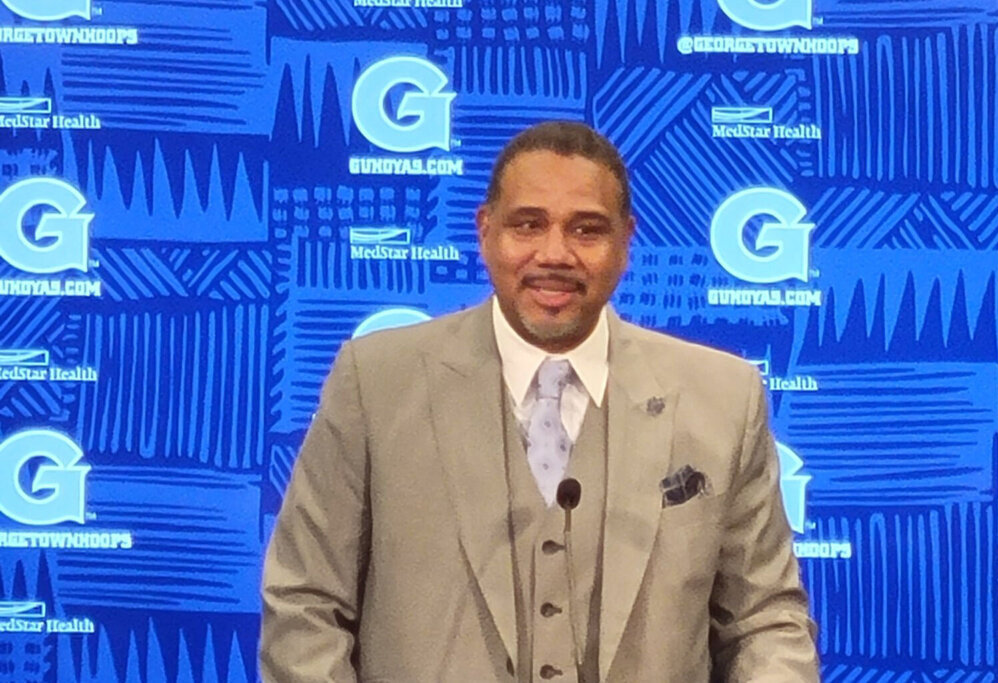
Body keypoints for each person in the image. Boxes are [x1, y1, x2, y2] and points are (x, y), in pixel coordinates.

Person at [261, 121, 819, 682]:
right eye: (527, 225)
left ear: (626, 241)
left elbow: (764, 622)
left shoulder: (722, 397)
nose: (554, 254)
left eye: (586, 230)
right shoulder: (378, 383)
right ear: (485, 231)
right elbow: (306, 604)